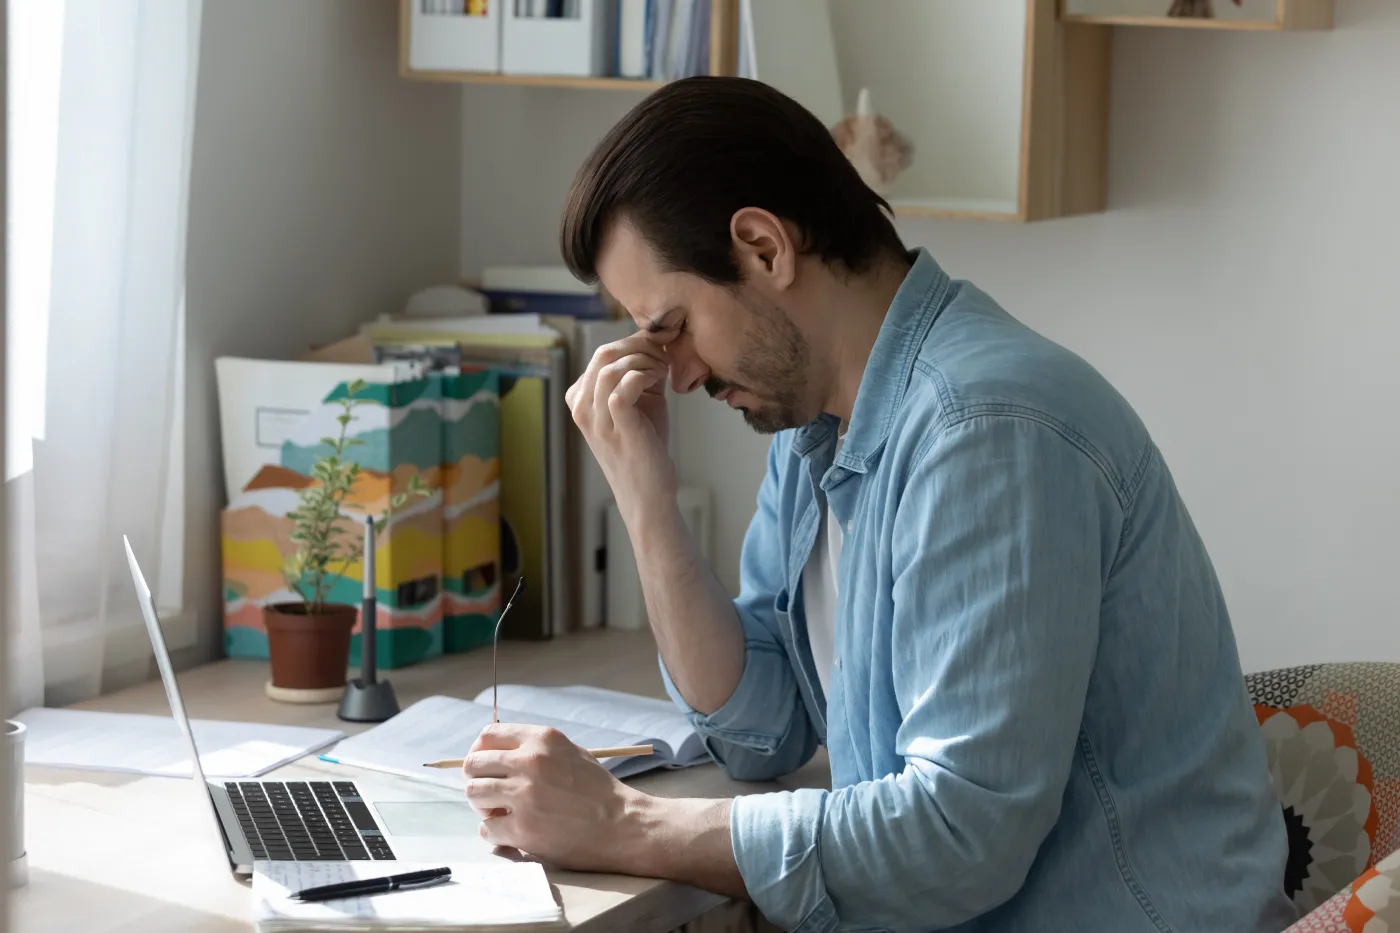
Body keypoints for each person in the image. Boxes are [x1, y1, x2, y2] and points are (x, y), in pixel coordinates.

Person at [460, 76, 1297, 933]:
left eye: (672, 327)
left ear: (763, 247)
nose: (674, 374)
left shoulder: (984, 430)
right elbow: (761, 730)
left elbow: (957, 837)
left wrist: (623, 823)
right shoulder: (817, 422)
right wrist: (646, 499)